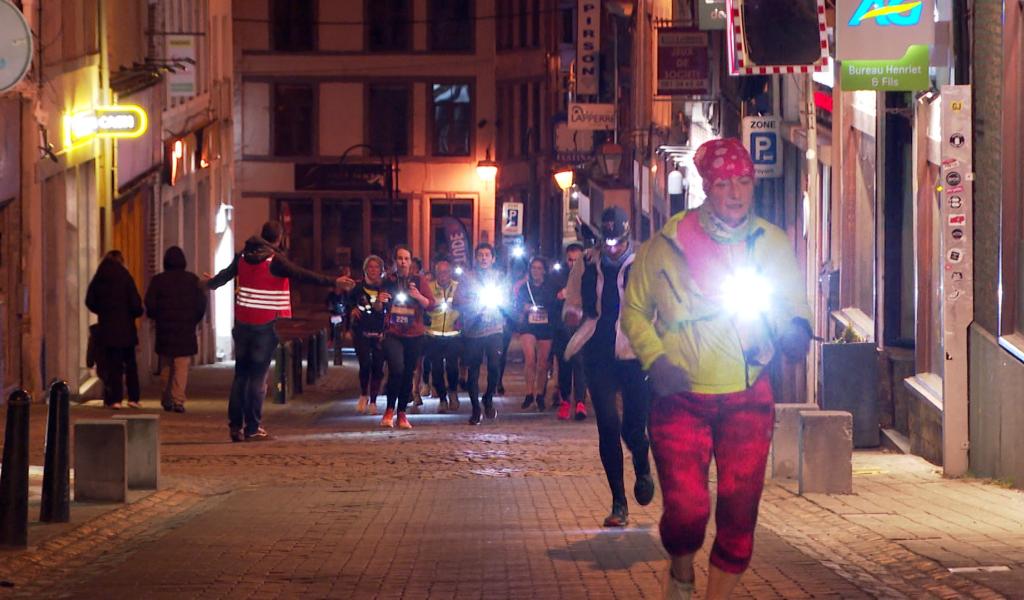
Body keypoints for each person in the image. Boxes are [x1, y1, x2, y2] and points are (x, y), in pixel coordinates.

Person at [621, 137, 812, 600]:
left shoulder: (770, 242)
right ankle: (681, 569)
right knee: (686, 511)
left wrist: (797, 330)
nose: (736, 192)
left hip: (747, 395)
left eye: (744, 181)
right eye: (725, 182)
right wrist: (656, 359)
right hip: (680, 398)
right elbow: (633, 311)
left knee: (740, 510)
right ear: (707, 186)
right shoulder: (665, 245)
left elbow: (792, 301)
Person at [206, 221, 354, 442]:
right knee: (257, 378)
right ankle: (253, 427)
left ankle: (235, 427)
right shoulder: (274, 260)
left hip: (243, 323)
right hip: (264, 325)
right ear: (279, 238)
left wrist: (209, 283)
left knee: (241, 377)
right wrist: (334, 281)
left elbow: (223, 277)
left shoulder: (242, 257)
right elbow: (303, 275)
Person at [564, 207, 653, 528]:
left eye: (618, 243)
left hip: (633, 350)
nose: (612, 249)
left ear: (628, 238)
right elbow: (572, 303)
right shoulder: (587, 262)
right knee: (608, 424)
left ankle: (642, 465)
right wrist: (573, 314)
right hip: (598, 347)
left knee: (633, 426)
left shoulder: (645, 262)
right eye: (608, 242)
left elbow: (659, 305)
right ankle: (618, 503)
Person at [144, 246, 208, 413]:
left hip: (164, 329)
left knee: (165, 364)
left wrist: (156, 317)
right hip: (185, 329)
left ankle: (166, 398)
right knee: (181, 365)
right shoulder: (192, 280)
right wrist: (194, 320)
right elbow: (201, 304)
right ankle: (178, 399)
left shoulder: (158, 281)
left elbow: (149, 303)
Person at [380, 246, 435, 429]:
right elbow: (378, 308)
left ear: (411, 261)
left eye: (406, 258)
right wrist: (379, 301)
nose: (403, 262)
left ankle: (402, 413)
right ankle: (389, 410)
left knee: (407, 372)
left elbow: (431, 304)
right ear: (395, 261)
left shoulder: (418, 280)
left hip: (414, 334)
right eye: (400, 258)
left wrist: (418, 296)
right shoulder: (388, 280)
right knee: (396, 368)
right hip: (393, 332)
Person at [454, 243, 508, 425]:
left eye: (487, 255)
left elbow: (507, 298)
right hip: (473, 329)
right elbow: (457, 299)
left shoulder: (499, 277)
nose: (484, 258)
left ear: (493, 258)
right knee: (473, 370)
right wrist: (471, 300)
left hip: (494, 327)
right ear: (476, 258)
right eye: (480, 255)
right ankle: (475, 408)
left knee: (494, 365)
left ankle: (488, 397)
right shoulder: (467, 278)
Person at [85, 250, 144, 409]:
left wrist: (102, 311)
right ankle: (133, 397)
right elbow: (136, 305)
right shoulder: (126, 277)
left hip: (107, 328)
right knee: (130, 364)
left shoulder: (99, 277)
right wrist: (133, 313)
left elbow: (89, 301)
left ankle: (114, 399)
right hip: (126, 330)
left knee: (113, 365)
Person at [515, 257, 557, 411]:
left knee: (543, 363)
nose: (536, 271)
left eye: (539, 268)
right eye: (533, 268)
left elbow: (555, 303)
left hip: (545, 326)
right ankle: (529, 392)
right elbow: (517, 304)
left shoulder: (550, 287)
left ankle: (540, 394)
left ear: (544, 270)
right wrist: (524, 307)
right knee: (530, 359)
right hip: (528, 326)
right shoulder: (524, 287)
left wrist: (546, 308)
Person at [349, 256, 388, 415]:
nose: (373, 270)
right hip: (362, 332)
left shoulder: (385, 288)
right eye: (370, 267)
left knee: (378, 367)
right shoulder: (357, 288)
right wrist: (351, 310)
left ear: (381, 270)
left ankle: (373, 400)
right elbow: (348, 303)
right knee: (365, 364)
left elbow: (387, 308)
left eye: (376, 267)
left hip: (379, 333)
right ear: (365, 269)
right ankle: (363, 394)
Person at [553, 243, 588, 420]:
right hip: (563, 329)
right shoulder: (560, 277)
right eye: (570, 260)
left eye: (577, 260)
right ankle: (566, 400)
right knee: (565, 363)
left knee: (580, 363)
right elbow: (552, 298)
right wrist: (559, 295)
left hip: (583, 327)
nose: (573, 264)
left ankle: (580, 402)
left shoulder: (589, 275)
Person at [425, 257, 462, 413]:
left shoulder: (458, 287)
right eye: (440, 272)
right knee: (437, 369)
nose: (443, 275)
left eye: (446, 272)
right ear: (436, 273)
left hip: (453, 334)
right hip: (433, 334)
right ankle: (442, 398)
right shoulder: (428, 287)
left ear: (451, 273)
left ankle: (453, 392)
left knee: (453, 367)